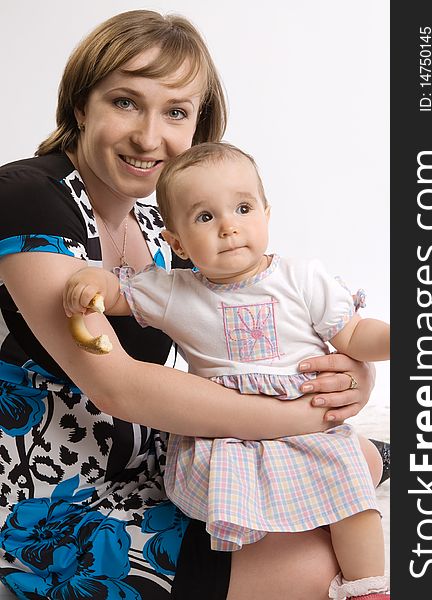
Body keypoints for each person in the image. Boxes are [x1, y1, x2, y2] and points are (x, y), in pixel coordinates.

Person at [0, 9, 387, 600]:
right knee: (315, 566)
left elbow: (242, 331)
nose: (150, 138)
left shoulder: (167, 229)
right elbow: (119, 387)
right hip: (46, 495)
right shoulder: (28, 197)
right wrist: (307, 416)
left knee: (356, 461)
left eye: (176, 112)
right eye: (125, 102)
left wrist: (353, 374)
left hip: (148, 455)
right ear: (82, 105)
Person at [63, 141, 390, 600]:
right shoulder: (177, 291)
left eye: (242, 208)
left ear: (267, 214)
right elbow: (119, 293)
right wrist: (91, 279)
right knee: (244, 506)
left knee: (352, 497)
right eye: (204, 217)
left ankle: (367, 587)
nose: (229, 227)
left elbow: (355, 335)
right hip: (227, 435)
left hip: (307, 424)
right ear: (175, 241)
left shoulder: (301, 278)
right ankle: (277, 545)